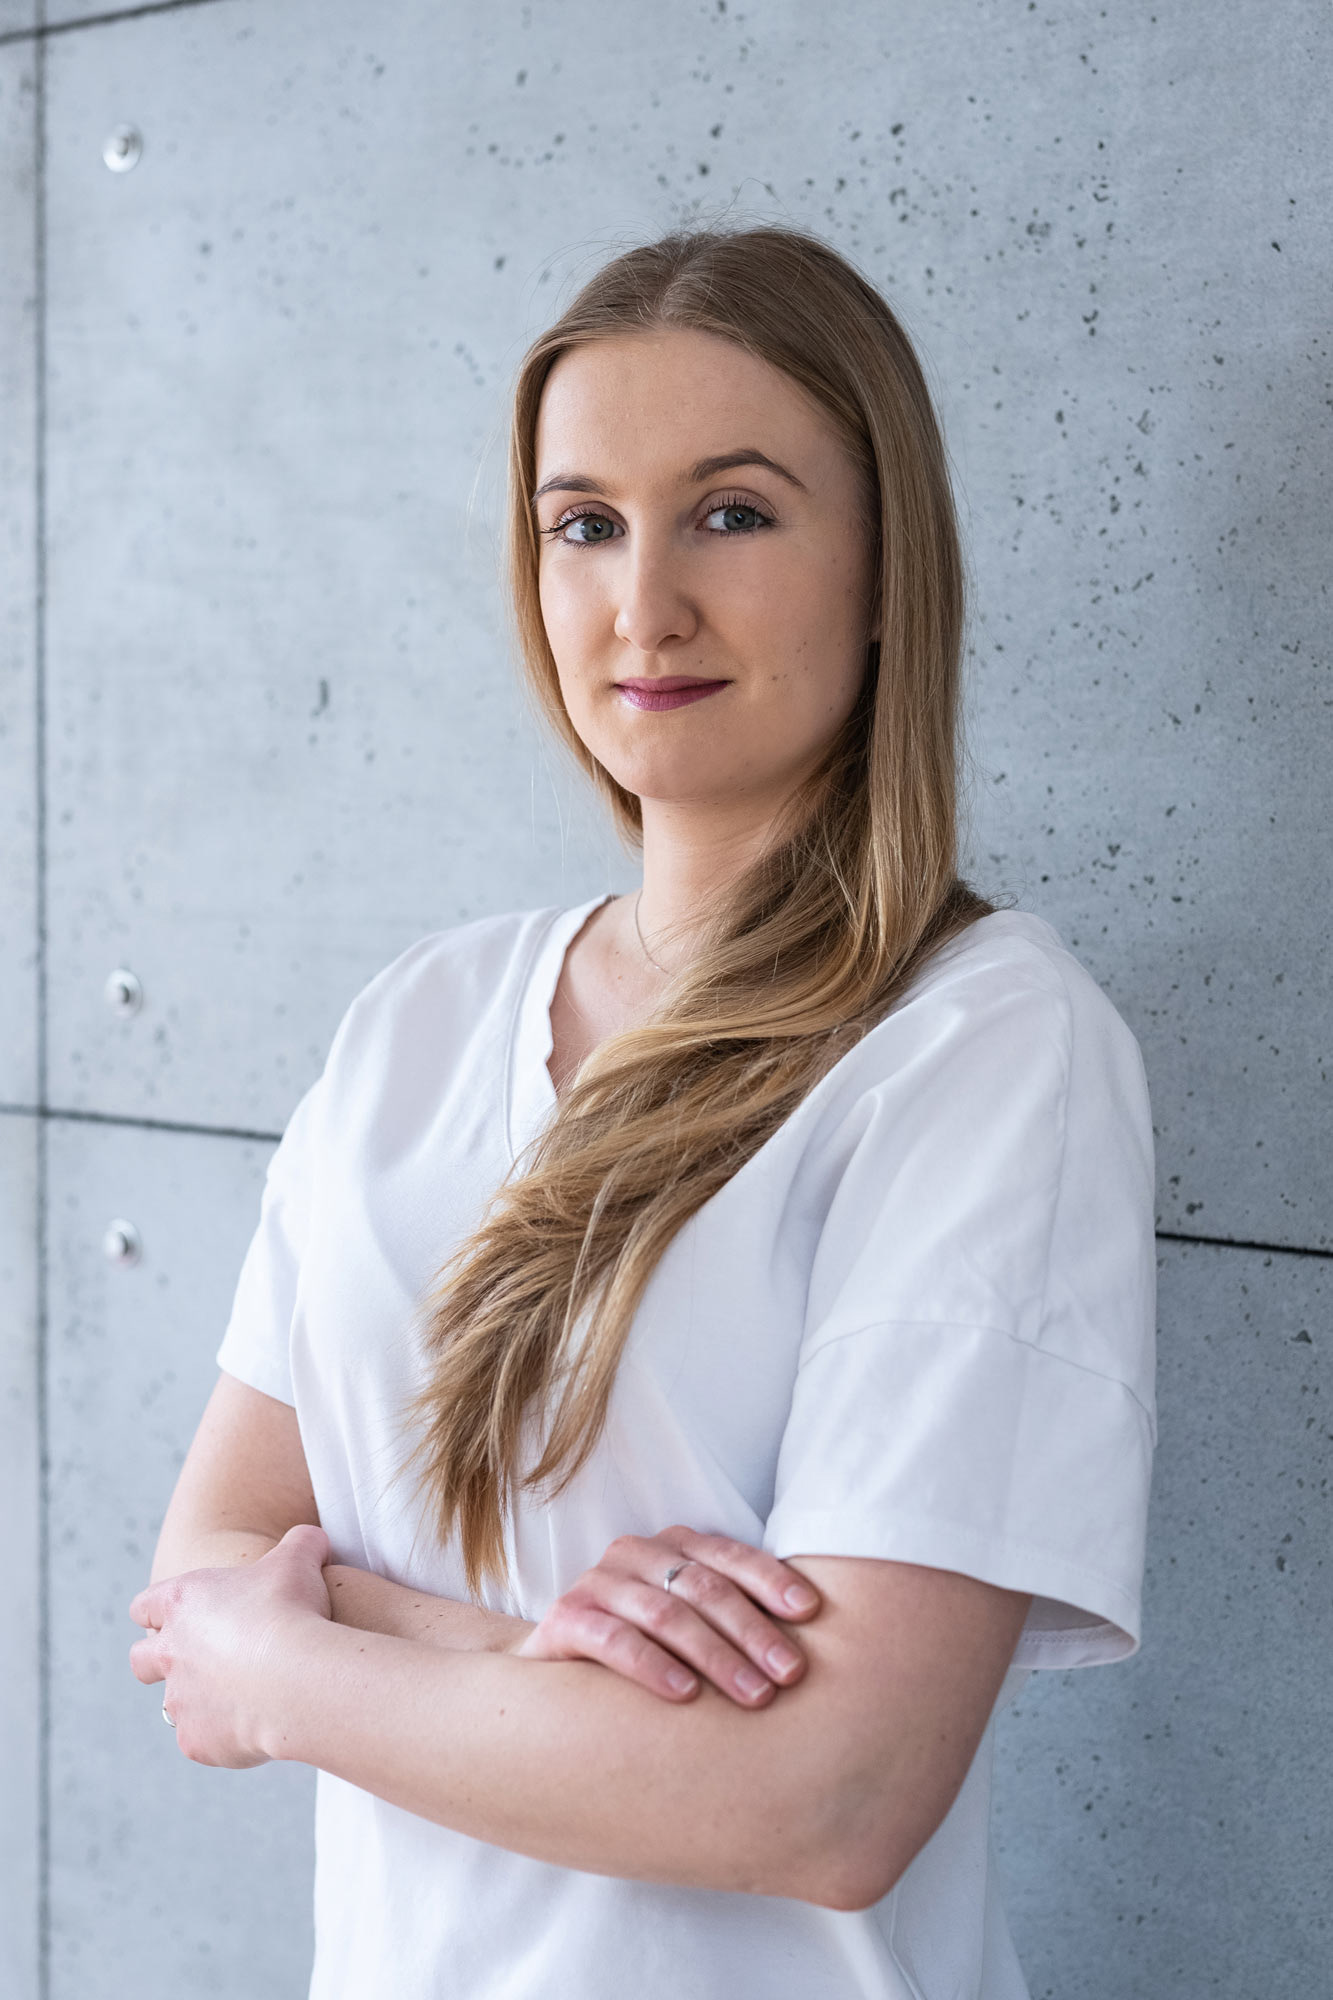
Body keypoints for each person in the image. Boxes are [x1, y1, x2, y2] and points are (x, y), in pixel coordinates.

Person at [128, 225, 1156, 2000]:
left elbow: (830, 1795)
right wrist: (524, 1653)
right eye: (584, 523)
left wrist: (295, 1673)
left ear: (888, 569)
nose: (642, 604)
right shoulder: (418, 1020)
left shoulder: (981, 1047)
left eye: (732, 514)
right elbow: (203, 1563)